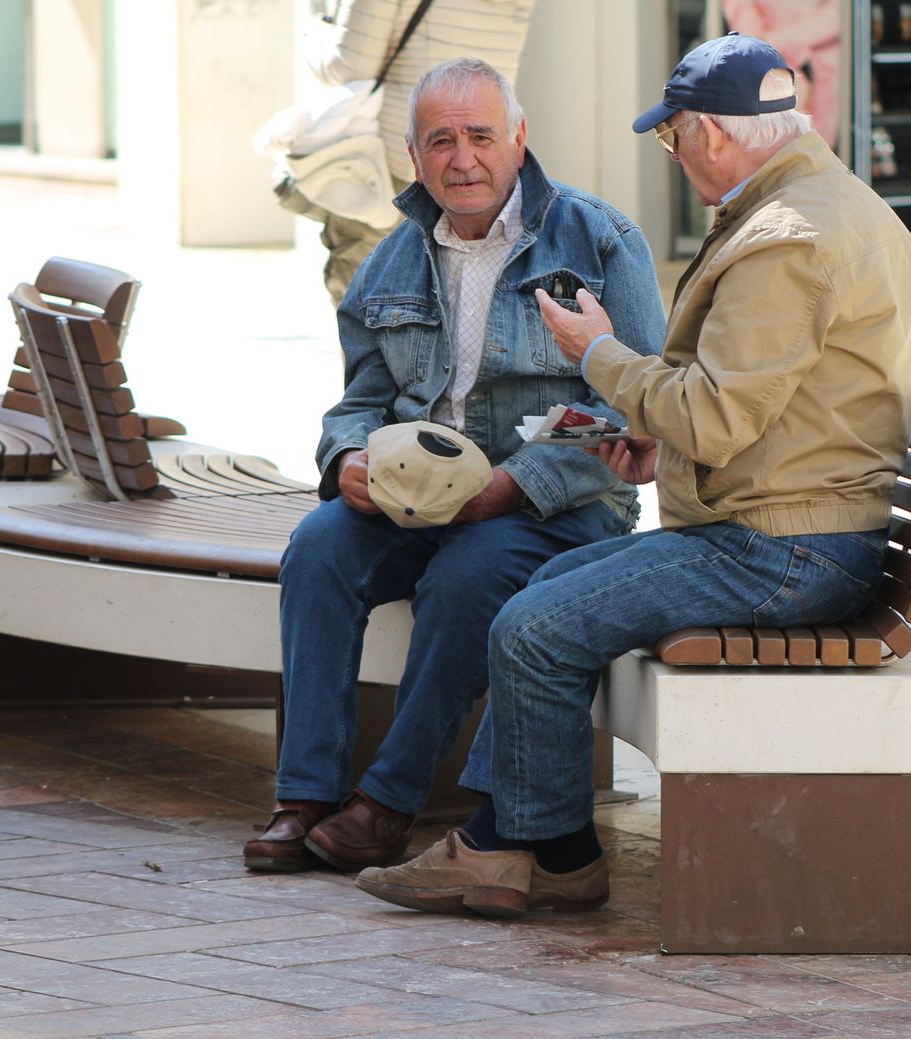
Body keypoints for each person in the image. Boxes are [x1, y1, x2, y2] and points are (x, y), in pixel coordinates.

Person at [356, 32, 911, 917]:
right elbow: (768, 407)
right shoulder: (832, 204)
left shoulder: (787, 237)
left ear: (705, 132)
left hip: (784, 549)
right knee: (544, 590)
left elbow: (714, 411)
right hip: (796, 527)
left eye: (671, 137)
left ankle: (527, 850)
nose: (673, 155)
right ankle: (531, 846)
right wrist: (659, 446)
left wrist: (600, 356)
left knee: (537, 626)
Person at [243, 57, 666, 875]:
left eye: (480, 136)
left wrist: (514, 486)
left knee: (472, 574)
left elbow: (637, 404)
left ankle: (384, 805)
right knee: (319, 547)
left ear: (518, 139)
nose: (462, 159)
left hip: (559, 504)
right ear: (414, 157)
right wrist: (349, 461)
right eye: (442, 141)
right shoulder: (393, 259)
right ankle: (304, 798)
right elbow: (360, 399)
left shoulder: (601, 238)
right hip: (415, 501)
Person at [303, 0, 535, 305]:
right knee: (457, 303)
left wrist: (314, 38)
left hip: (392, 163)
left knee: (364, 294)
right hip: (482, 164)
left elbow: (350, 66)